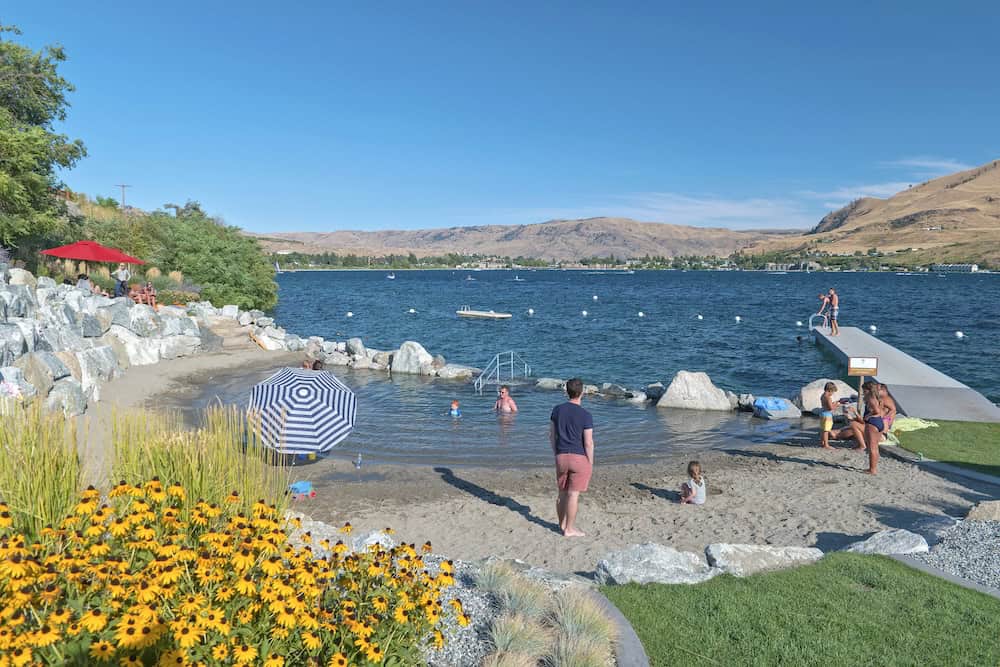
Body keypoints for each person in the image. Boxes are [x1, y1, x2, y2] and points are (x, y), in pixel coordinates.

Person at [550, 378, 594, 538]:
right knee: (573, 494)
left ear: (566, 392)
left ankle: (561, 524)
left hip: (561, 455)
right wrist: (590, 462)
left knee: (561, 493)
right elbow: (588, 442)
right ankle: (569, 529)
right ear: (582, 392)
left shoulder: (557, 410)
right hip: (578, 457)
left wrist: (557, 453)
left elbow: (551, 436)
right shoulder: (586, 415)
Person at [855, 381, 884, 474]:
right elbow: (880, 411)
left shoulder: (871, 399)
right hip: (879, 422)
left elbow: (876, 411)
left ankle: (872, 469)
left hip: (872, 423)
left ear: (869, 390)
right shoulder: (877, 398)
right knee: (875, 447)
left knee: (871, 448)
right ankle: (873, 468)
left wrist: (868, 416)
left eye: (864, 390)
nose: (863, 392)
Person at [819, 382, 837, 449]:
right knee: (826, 430)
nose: (832, 394)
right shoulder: (828, 397)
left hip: (822, 413)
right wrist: (836, 404)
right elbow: (830, 408)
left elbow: (826, 405)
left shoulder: (823, 395)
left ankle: (822, 442)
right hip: (827, 415)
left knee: (822, 429)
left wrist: (832, 403)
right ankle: (826, 445)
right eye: (833, 392)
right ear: (830, 390)